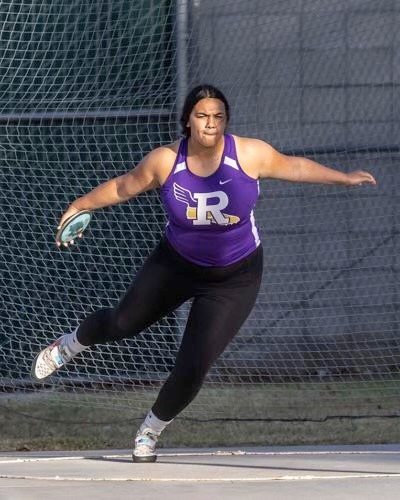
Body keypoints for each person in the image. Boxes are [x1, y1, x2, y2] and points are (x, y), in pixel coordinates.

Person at [32, 84, 377, 463]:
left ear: (225, 121)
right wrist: (80, 205)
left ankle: (150, 430)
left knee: (194, 365)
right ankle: (70, 344)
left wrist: (343, 178)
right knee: (123, 322)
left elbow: (294, 165)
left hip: (235, 277)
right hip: (176, 264)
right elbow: (122, 186)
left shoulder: (249, 153)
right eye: (202, 115)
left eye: (217, 116)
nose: (210, 123)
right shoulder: (165, 161)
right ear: (188, 121)